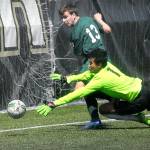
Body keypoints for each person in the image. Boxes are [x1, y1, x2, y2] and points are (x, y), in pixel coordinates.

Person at [37, 48, 150, 129]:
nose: (88, 65)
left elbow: (78, 94)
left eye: (91, 63)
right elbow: (86, 75)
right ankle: (95, 121)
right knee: (91, 93)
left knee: (104, 110)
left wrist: (54, 104)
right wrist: (66, 78)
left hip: (139, 100)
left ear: (99, 64)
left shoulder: (101, 79)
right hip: (143, 89)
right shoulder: (107, 65)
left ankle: (138, 118)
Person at [57, 4, 112, 128]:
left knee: (80, 90)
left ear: (74, 15)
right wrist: (99, 20)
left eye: (65, 17)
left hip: (92, 61)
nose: (63, 20)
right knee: (94, 88)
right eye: (62, 18)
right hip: (105, 60)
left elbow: (80, 54)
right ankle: (113, 101)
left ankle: (95, 120)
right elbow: (108, 29)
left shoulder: (74, 34)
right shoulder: (89, 20)